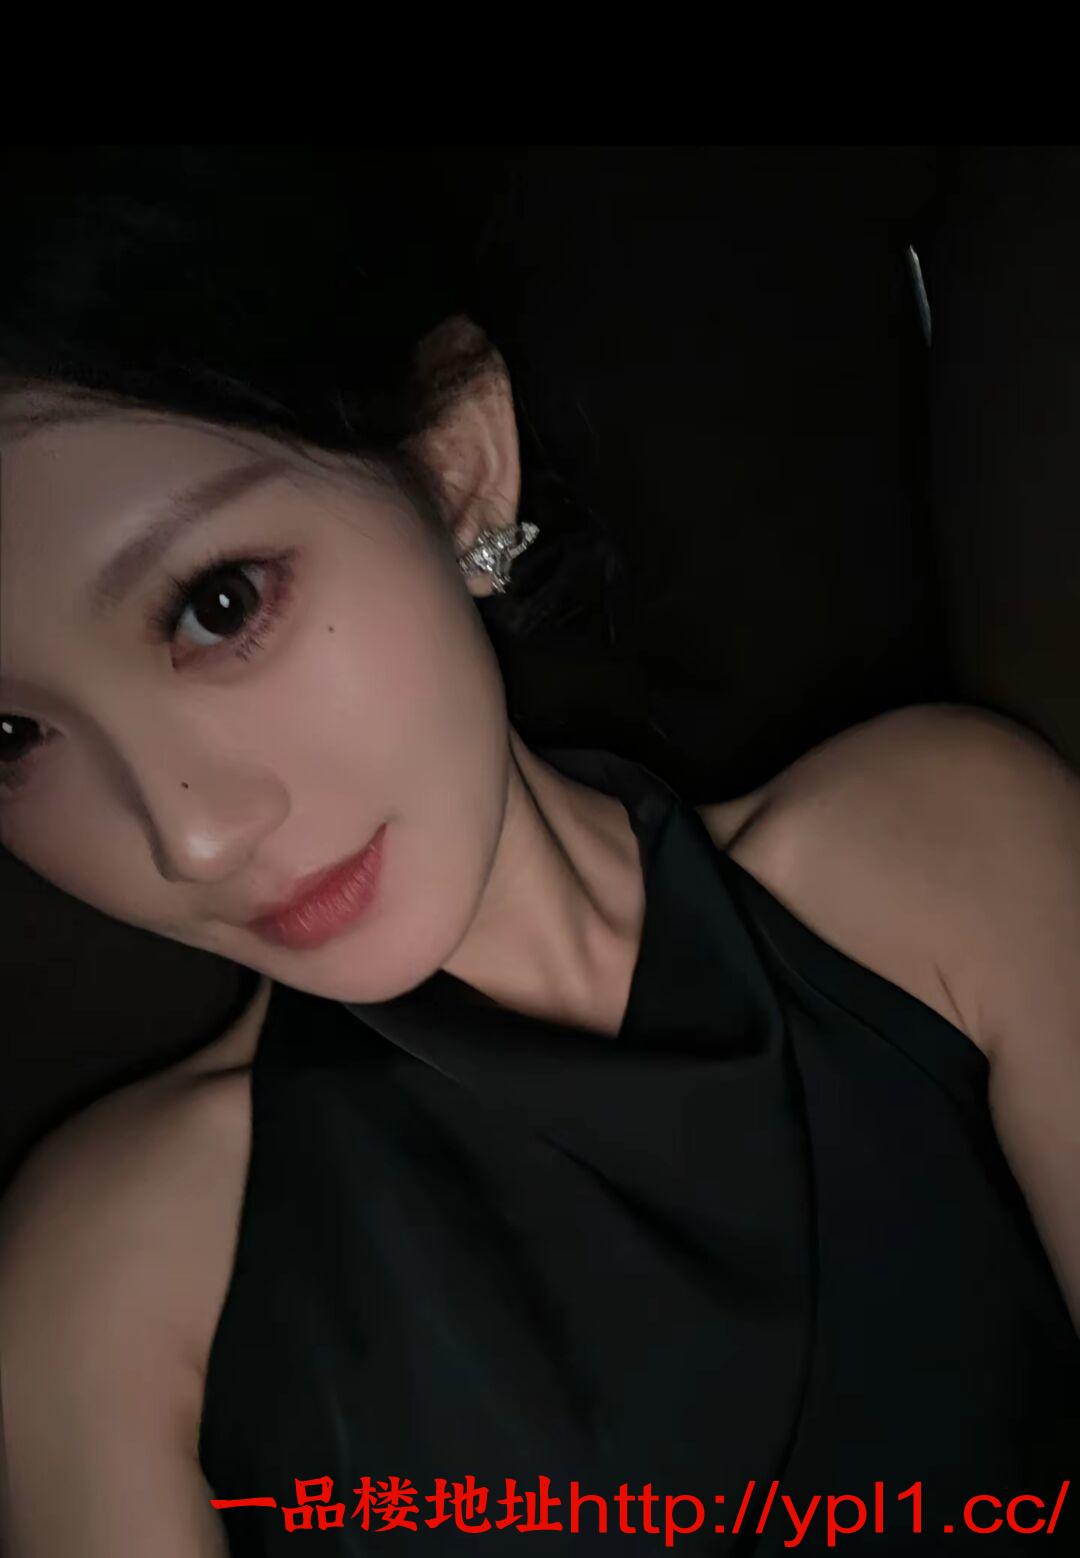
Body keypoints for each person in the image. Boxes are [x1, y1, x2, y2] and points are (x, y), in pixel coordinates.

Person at [0, 150, 1078, 1556]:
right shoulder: (113, 1279)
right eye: (8, 734)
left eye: (218, 603)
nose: (189, 835)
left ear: (456, 465)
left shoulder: (944, 859)